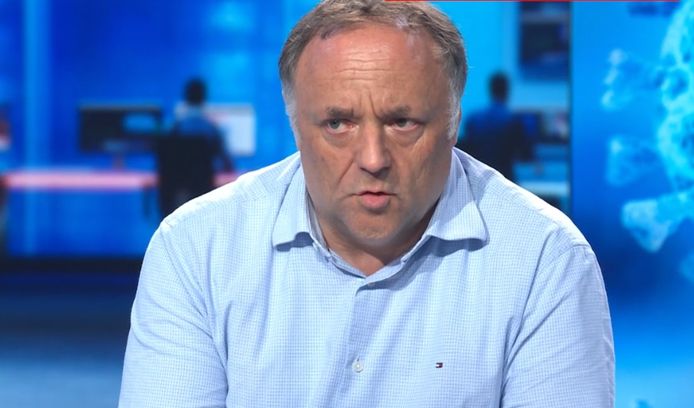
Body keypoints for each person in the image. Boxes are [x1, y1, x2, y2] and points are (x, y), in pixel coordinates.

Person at [120, 1, 614, 407]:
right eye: (338, 123)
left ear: (453, 121)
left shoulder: (544, 260)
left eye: (402, 122)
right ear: (296, 126)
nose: (373, 159)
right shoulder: (196, 248)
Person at [156, 78, 233, 218]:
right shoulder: (212, 129)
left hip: (176, 198)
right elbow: (227, 164)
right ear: (204, 97)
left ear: (186, 97)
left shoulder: (174, 128)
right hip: (204, 193)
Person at [457, 72, 533, 181]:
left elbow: (467, 152)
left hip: (479, 181)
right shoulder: (513, 120)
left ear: (490, 90)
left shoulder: (474, 119)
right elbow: (525, 155)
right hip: (506, 180)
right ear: (507, 91)